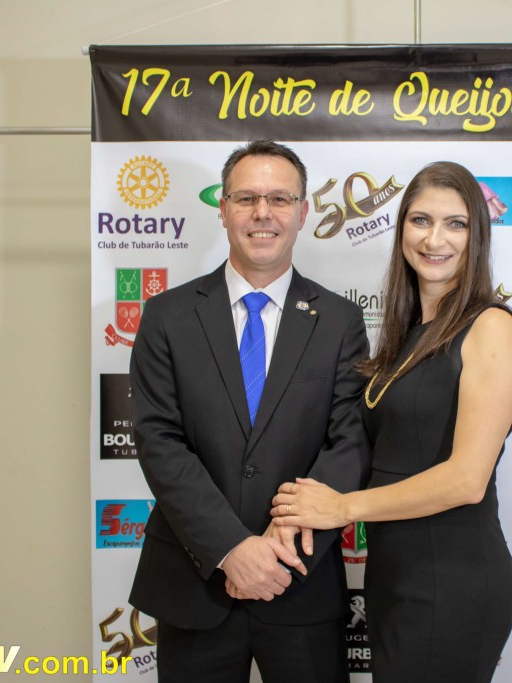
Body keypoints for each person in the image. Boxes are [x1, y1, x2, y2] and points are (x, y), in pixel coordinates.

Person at [271, 161, 512, 682]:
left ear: (477, 236)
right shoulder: (409, 335)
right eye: (421, 220)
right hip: (395, 577)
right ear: (402, 230)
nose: (435, 239)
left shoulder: (491, 326)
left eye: (456, 224)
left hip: (452, 580)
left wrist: (343, 507)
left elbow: (466, 480)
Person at [128, 140, 369, 682]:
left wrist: (279, 549)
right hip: (197, 583)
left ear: (303, 213)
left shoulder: (340, 321)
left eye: (280, 198)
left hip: (300, 582)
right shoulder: (167, 316)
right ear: (223, 209)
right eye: (247, 198)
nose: (263, 213)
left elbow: (349, 441)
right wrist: (231, 548)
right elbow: (158, 440)